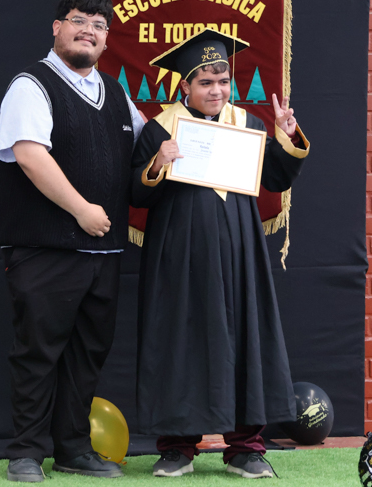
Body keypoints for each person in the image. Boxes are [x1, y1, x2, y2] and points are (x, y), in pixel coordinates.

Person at [130, 29, 309, 479]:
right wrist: (157, 163)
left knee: (245, 335)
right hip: (179, 255)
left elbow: (275, 179)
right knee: (180, 339)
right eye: (205, 82)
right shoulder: (161, 129)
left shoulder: (247, 125)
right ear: (185, 85)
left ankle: (246, 447)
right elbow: (136, 195)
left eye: (223, 81)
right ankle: (177, 447)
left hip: (239, 253)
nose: (216, 91)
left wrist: (286, 136)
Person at [0, 0, 146, 483]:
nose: (89, 31)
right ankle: (26, 453)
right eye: (79, 20)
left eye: (99, 26)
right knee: (38, 353)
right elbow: (29, 154)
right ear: (57, 27)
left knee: (87, 356)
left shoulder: (116, 94)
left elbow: (153, 142)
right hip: (46, 248)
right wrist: (82, 210)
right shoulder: (31, 85)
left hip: (104, 251)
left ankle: (74, 449)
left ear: (106, 41)